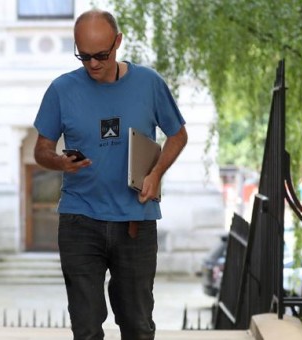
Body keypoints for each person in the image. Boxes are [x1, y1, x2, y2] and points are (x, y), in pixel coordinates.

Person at [32, 9, 187, 340]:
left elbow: (178, 135)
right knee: (86, 329)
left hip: (135, 221)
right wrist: (60, 162)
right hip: (79, 220)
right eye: (84, 56)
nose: (93, 64)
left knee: (138, 326)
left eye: (101, 55)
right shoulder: (61, 90)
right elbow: (41, 150)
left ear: (118, 42)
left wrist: (157, 173)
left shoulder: (149, 84)